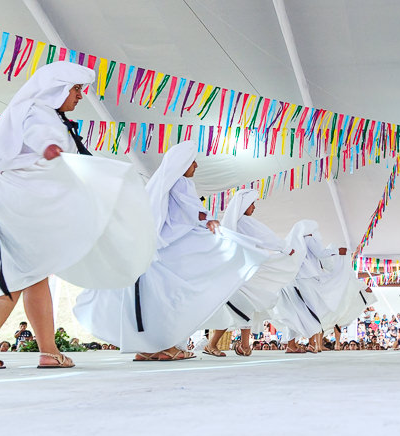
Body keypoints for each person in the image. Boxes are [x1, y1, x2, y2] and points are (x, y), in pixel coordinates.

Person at [0, 62, 156, 370]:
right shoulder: (35, 111)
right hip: (6, 206)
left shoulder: (50, 116)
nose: (79, 96)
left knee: (35, 274)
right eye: (75, 89)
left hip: (23, 207)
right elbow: (40, 134)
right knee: (13, 278)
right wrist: (50, 146)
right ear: (56, 89)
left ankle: (48, 350)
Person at [74, 141, 268, 361]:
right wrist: (209, 220)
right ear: (182, 163)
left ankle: (147, 348)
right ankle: (166, 346)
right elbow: (193, 210)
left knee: (151, 302)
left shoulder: (160, 185)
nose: (195, 165)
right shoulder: (182, 182)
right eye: (192, 161)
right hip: (173, 254)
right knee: (175, 299)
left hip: (156, 253)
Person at [202, 188, 305, 357]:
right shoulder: (244, 222)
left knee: (239, 309)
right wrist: (285, 248)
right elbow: (266, 237)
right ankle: (221, 345)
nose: (254, 208)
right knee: (240, 308)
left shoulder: (234, 223)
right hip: (239, 275)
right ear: (243, 206)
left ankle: (239, 345)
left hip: (237, 273)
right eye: (252, 204)